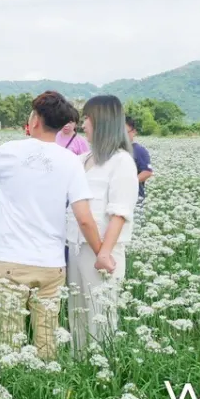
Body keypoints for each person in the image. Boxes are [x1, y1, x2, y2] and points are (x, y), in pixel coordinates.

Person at [0, 91, 103, 360]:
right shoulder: (71, 162)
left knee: (9, 339)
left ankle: (14, 395)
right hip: (51, 265)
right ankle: (47, 389)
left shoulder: (12, 151)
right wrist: (102, 254)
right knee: (47, 340)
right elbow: (84, 217)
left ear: (35, 119)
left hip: (10, 263)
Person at [65, 95, 138, 354]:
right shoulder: (83, 159)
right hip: (75, 245)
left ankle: (102, 371)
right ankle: (78, 365)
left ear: (102, 122)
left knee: (101, 315)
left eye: (87, 118)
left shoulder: (122, 161)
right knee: (78, 312)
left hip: (102, 250)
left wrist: (103, 253)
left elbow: (120, 212)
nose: (83, 124)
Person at [125, 117, 153, 227]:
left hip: (135, 196)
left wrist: (128, 182)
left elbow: (147, 172)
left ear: (134, 132)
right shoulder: (113, 149)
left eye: (125, 132)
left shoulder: (139, 150)